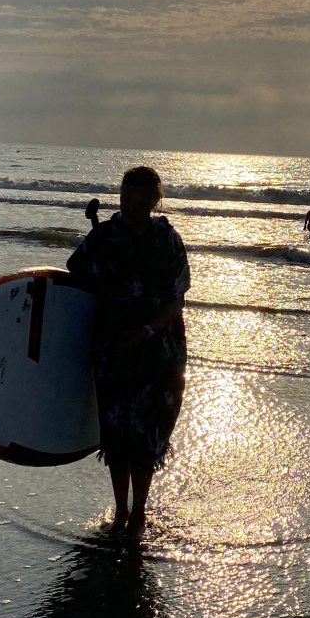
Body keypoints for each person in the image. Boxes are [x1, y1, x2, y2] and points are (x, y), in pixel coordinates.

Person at [67, 167, 190, 538]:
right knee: (117, 434)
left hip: (158, 351)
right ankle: (120, 512)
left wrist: (146, 331)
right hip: (113, 349)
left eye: (141, 201)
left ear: (156, 202)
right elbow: (76, 281)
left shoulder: (167, 240)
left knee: (146, 433)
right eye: (126, 199)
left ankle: (139, 514)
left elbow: (176, 301)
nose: (133, 207)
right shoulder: (103, 237)